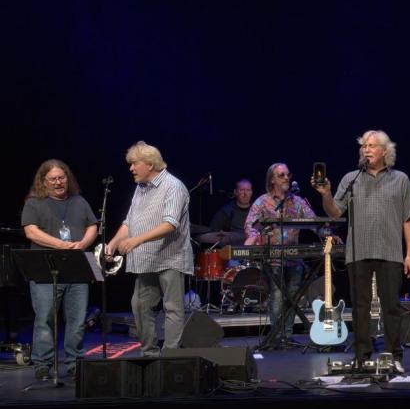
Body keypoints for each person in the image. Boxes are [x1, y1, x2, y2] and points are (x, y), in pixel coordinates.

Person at [315, 130, 410, 372]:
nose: (366, 150)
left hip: (390, 251)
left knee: (391, 305)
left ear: (385, 151)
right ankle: (362, 356)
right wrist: (326, 194)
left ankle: (394, 355)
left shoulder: (400, 179)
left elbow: (409, 218)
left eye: (372, 146)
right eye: (364, 146)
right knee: (359, 307)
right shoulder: (351, 179)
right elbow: (334, 212)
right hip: (358, 252)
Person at [105, 141, 193, 355]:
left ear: (150, 164)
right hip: (146, 259)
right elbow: (130, 222)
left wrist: (137, 240)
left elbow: (170, 223)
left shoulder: (173, 186)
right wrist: (113, 243)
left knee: (172, 307)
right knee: (140, 305)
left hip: (170, 257)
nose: (131, 168)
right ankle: (149, 353)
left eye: (134, 164)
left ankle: (171, 356)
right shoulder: (140, 188)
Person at [21, 160, 99, 379]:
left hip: (77, 268)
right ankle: (43, 364)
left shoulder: (79, 201)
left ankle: (76, 362)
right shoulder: (34, 203)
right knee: (44, 318)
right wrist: (62, 245)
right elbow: (31, 232)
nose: (58, 182)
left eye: (62, 177)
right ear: (43, 182)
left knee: (77, 319)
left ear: (68, 178)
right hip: (45, 269)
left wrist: (82, 244)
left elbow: (92, 226)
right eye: (53, 179)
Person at [244, 163, 316, 348]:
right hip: (273, 258)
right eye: (281, 175)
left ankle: (287, 335)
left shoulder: (298, 202)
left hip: (294, 258)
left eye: (287, 174)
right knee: (276, 297)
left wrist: (329, 234)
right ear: (272, 180)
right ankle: (276, 336)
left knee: (293, 296)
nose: (286, 178)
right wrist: (253, 236)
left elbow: (315, 222)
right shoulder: (262, 201)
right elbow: (250, 224)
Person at [199, 179, 253, 247]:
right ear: (235, 192)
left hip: (253, 250)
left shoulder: (257, 210)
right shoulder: (226, 211)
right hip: (231, 252)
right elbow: (213, 232)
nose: (245, 194)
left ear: (251, 192)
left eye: (248, 190)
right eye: (242, 190)